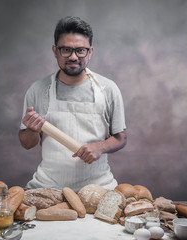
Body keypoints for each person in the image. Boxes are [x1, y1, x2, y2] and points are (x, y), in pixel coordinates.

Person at [19, 16, 127, 192]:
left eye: (80, 50)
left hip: (99, 187)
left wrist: (100, 146)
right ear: (55, 51)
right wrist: (32, 129)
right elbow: (27, 143)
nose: (73, 57)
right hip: (47, 187)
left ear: (90, 51)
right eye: (66, 50)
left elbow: (121, 137)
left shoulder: (108, 89)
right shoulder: (37, 90)